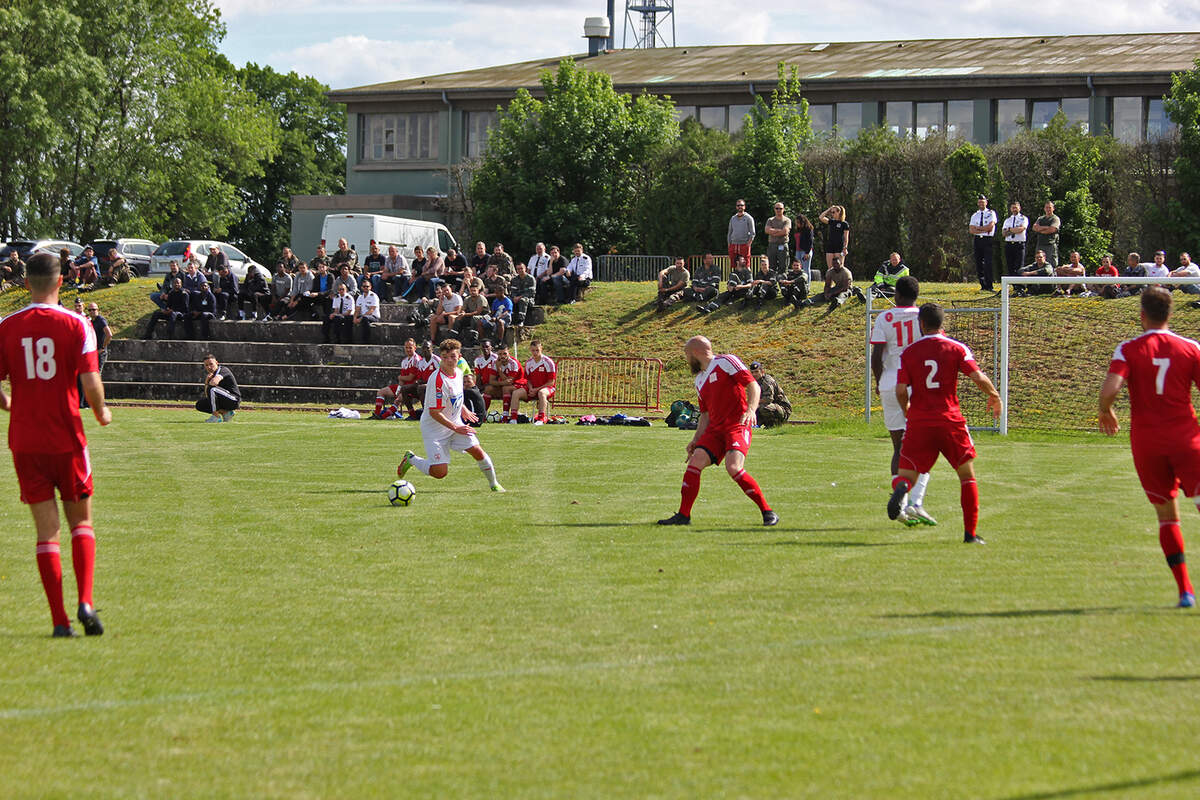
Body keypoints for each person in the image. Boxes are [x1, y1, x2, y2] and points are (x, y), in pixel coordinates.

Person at [0, 252, 111, 637]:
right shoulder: (77, 324)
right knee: (81, 522)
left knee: (46, 534)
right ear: (61, 281)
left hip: (25, 442)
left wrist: (7, 402)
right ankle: (84, 600)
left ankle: (60, 622)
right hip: (66, 437)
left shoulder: (7, 326)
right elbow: (91, 382)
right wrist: (101, 413)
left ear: (25, 282)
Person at [1099, 287, 1200, 607]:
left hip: (1147, 444)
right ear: (1170, 314)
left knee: (1167, 517)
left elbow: (1110, 388)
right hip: (1187, 440)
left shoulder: (1128, 349)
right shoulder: (1191, 348)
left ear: (1142, 315)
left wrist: (1106, 410)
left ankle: (1185, 591)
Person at [887, 303, 1003, 544]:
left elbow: (900, 390)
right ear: (942, 324)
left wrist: (908, 410)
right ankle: (970, 534)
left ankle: (901, 489)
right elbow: (977, 376)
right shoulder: (956, 348)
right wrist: (994, 395)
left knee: (907, 475)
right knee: (966, 476)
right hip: (949, 419)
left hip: (919, 421)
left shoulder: (909, 352)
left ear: (921, 324)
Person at [658, 336, 777, 526]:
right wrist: (695, 439)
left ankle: (767, 511)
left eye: (687, 355)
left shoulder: (726, 361)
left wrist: (751, 410)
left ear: (696, 353)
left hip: (736, 425)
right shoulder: (699, 380)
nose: (687, 360)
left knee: (733, 467)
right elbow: (705, 415)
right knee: (695, 462)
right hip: (715, 430)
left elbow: (752, 384)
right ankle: (683, 515)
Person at [397, 338, 505, 492]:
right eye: (445, 357)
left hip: (455, 424)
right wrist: (456, 427)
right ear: (440, 357)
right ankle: (412, 459)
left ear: (459, 356)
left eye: (452, 356)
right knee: (440, 473)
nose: (448, 360)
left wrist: (463, 409)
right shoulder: (437, 380)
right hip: (434, 429)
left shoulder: (459, 373)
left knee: (477, 451)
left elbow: (455, 396)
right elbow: (434, 412)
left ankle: (494, 484)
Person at [869, 276, 934, 525]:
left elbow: (877, 354)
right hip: (917, 385)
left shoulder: (884, 317)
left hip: (890, 384)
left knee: (899, 447)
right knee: (925, 445)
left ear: (896, 294)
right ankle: (915, 502)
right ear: (916, 295)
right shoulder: (923, 316)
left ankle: (903, 505)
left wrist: (878, 381)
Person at [509, 339, 556, 425]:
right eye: (533, 350)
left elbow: (551, 382)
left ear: (541, 348)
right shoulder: (529, 362)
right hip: (532, 388)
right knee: (516, 393)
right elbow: (528, 380)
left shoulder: (548, 362)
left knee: (542, 393)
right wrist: (531, 388)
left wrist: (536, 389)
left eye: (537, 350)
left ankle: (541, 419)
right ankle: (513, 418)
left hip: (547, 388)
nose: (535, 353)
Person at [196, 354, 240, 422]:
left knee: (212, 388)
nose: (209, 367)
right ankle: (226, 413)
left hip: (233, 400)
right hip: (223, 399)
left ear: (217, 363)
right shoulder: (211, 375)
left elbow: (214, 383)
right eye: (206, 365)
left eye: (211, 364)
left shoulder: (223, 370)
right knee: (200, 404)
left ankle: (216, 417)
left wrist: (210, 381)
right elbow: (208, 396)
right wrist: (206, 382)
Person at [487, 343, 525, 418]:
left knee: (506, 388)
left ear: (509, 353)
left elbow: (509, 382)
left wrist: (499, 369)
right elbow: (491, 381)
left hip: (519, 385)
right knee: (488, 389)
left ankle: (505, 416)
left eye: (504, 353)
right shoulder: (495, 362)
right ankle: (482, 414)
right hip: (504, 385)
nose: (502, 356)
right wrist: (502, 382)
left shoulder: (513, 363)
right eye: (500, 354)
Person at [968, 194, 997, 291]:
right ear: (977, 203)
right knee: (978, 262)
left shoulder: (991, 213)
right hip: (977, 240)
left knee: (988, 263)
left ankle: (989, 285)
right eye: (979, 202)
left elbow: (990, 227)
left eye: (983, 201)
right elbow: (971, 230)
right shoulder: (975, 215)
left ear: (986, 202)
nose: (981, 203)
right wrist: (983, 229)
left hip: (987, 240)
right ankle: (983, 285)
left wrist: (978, 228)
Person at [750, 361, 791, 427]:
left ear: (762, 371)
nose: (754, 374)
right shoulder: (754, 382)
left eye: (757, 372)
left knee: (763, 407)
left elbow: (768, 399)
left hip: (782, 409)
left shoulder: (767, 381)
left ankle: (773, 424)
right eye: (752, 372)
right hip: (771, 406)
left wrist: (753, 404)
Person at [818, 205, 850, 274]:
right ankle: (830, 284)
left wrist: (845, 247)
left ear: (839, 212)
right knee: (830, 268)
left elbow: (846, 237)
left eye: (833, 212)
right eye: (831, 212)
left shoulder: (844, 224)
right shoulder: (831, 222)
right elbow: (821, 217)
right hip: (830, 246)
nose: (832, 214)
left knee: (839, 267)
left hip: (839, 247)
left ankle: (841, 284)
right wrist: (829, 209)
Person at [764, 201, 792, 276]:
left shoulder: (787, 220)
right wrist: (780, 231)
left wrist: (773, 231)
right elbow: (767, 230)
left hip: (783, 244)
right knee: (772, 265)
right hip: (772, 245)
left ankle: (783, 282)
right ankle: (772, 281)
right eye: (777, 208)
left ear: (783, 209)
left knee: (783, 265)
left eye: (780, 208)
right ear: (774, 209)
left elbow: (785, 231)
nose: (778, 210)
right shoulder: (770, 220)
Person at [1001, 201, 1028, 278]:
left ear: (1019, 208)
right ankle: (1013, 285)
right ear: (1010, 209)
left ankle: (1020, 286)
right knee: (1010, 266)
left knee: (1019, 266)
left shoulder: (1023, 218)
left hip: (1019, 244)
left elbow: (1021, 229)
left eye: (1016, 207)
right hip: (1009, 244)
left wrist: (1009, 229)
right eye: (1013, 208)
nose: (1014, 209)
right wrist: (1013, 230)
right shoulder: (1007, 220)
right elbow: (1004, 233)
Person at [726, 199, 755, 270]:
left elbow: (752, 232)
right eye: (738, 205)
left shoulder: (749, 218)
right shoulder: (733, 218)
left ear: (744, 207)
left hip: (744, 244)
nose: (740, 207)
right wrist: (729, 244)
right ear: (736, 207)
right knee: (734, 264)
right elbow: (730, 232)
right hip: (733, 244)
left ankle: (748, 279)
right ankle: (734, 279)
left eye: (741, 205)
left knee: (746, 264)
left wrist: (749, 243)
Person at [1032, 201, 1061, 267]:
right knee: (1039, 263)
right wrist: (1046, 227)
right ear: (1044, 208)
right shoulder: (1040, 219)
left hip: (1050, 244)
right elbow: (1034, 228)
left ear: (1053, 208)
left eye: (1050, 207)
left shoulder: (1055, 219)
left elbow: (1052, 229)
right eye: (1046, 207)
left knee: (1052, 264)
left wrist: (1040, 230)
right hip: (1040, 244)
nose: (1048, 209)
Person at [508, 261, 537, 328]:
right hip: (516, 298)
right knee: (508, 300)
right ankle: (509, 319)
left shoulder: (530, 278)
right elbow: (513, 291)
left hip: (528, 299)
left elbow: (531, 292)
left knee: (523, 300)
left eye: (521, 268)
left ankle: (521, 320)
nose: (520, 270)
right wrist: (514, 297)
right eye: (518, 269)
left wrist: (519, 297)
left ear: (525, 268)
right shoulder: (514, 279)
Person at [793, 213, 815, 280]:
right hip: (798, 251)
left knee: (806, 269)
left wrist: (807, 252)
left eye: (798, 222)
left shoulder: (809, 229)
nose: (797, 224)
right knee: (797, 269)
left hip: (805, 251)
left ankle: (807, 285)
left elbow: (810, 241)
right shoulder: (797, 229)